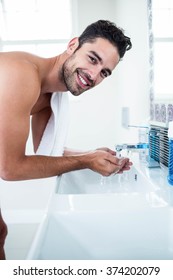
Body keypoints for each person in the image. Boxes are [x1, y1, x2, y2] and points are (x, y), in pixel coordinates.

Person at [0, 20, 132, 259]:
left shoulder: (48, 97)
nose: (93, 75)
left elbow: (50, 152)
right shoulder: (22, 75)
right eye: (93, 59)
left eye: (104, 73)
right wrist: (86, 161)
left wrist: (94, 155)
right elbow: (10, 168)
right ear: (73, 45)